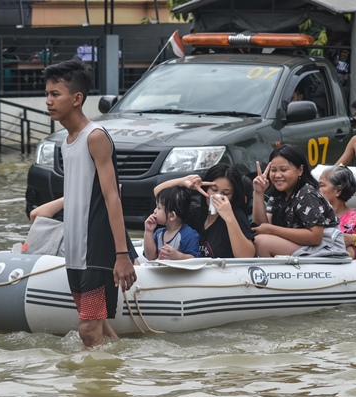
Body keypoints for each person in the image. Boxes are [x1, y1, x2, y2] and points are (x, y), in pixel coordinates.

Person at [35, 59, 136, 347]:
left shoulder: (95, 137)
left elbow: (112, 196)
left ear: (77, 98)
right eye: (47, 95)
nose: (48, 101)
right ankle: (126, 366)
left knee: (87, 329)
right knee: (96, 322)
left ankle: (94, 391)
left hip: (97, 249)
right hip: (76, 249)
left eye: (56, 94)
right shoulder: (67, 140)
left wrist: (121, 254)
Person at [252, 145, 347, 258]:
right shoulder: (278, 194)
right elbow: (261, 226)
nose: (277, 175)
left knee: (262, 243)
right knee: (258, 239)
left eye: (284, 170)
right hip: (301, 244)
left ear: (300, 170)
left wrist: (271, 229)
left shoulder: (307, 193)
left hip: (325, 247)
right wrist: (258, 193)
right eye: (273, 170)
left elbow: (316, 237)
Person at [153, 164, 255, 258]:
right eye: (214, 190)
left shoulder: (236, 215)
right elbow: (159, 194)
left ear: (233, 197)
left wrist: (229, 218)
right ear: (206, 189)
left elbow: (246, 256)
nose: (217, 196)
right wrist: (183, 182)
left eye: (226, 193)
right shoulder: (196, 212)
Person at [318, 166, 356, 259]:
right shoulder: (312, 214)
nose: (316, 190)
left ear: (338, 190)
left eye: (321, 185)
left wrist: (351, 239)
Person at [143, 186, 200, 261]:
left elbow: (195, 260)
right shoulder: (159, 233)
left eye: (159, 208)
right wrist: (148, 231)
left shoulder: (188, 235)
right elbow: (150, 257)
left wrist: (178, 256)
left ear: (172, 216)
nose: (154, 211)